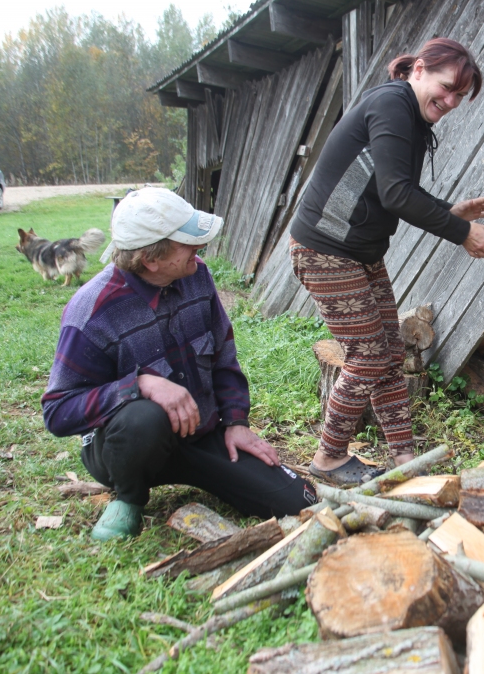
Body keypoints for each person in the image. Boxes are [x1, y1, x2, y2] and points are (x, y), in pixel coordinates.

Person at [42, 187, 317, 541]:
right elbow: (58, 411)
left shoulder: (196, 276)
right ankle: (128, 497)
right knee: (144, 417)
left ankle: (206, 466)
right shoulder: (91, 311)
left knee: (299, 500)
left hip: (200, 433)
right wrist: (139, 384)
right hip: (127, 446)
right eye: (187, 242)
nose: (199, 248)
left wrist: (236, 422)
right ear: (150, 259)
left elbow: (223, 354)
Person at [289, 37, 484, 485]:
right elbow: (395, 195)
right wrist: (462, 232)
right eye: (446, 88)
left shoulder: (407, 113)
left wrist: (451, 211)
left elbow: (394, 186)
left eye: (459, 97)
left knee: (389, 352)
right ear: (419, 69)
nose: (449, 101)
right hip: (326, 249)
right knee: (368, 355)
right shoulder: (392, 104)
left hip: (358, 252)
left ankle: (404, 456)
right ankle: (328, 457)